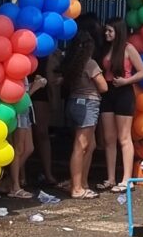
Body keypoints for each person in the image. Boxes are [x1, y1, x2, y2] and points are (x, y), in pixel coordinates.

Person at [98, 17, 143, 193]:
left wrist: (127, 81)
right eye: (106, 31)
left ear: (118, 31)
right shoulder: (105, 48)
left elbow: (142, 72)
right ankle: (110, 177)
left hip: (124, 91)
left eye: (110, 31)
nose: (107, 34)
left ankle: (127, 178)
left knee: (124, 137)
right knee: (109, 137)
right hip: (108, 90)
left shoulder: (128, 48)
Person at [64, 31, 108, 199]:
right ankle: (77, 187)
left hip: (73, 102)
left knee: (90, 145)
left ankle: (82, 182)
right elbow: (103, 87)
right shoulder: (90, 64)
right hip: (88, 104)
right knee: (81, 145)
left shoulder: (72, 62)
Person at [6, 73, 47, 198]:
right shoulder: (13, 71)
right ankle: (15, 187)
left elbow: (23, 91)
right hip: (19, 109)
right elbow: (16, 96)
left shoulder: (21, 72)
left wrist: (33, 85)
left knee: (29, 148)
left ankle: (9, 180)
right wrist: (36, 87)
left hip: (26, 109)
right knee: (18, 149)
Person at [31, 50, 61, 187]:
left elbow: (50, 74)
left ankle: (46, 173)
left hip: (39, 92)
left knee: (40, 134)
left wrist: (53, 97)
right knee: (34, 136)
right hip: (25, 88)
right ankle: (22, 177)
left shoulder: (47, 49)